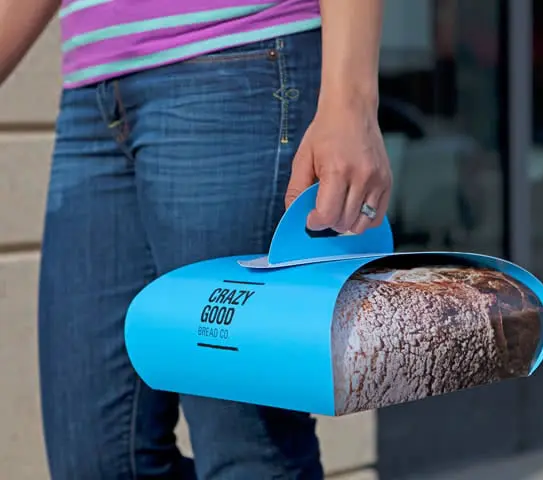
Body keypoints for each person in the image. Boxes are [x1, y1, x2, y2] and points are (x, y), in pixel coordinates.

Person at [0, 0, 392, 478]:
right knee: (96, 461)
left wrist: (351, 99)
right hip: (93, 88)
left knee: (245, 447)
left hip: (237, 56)